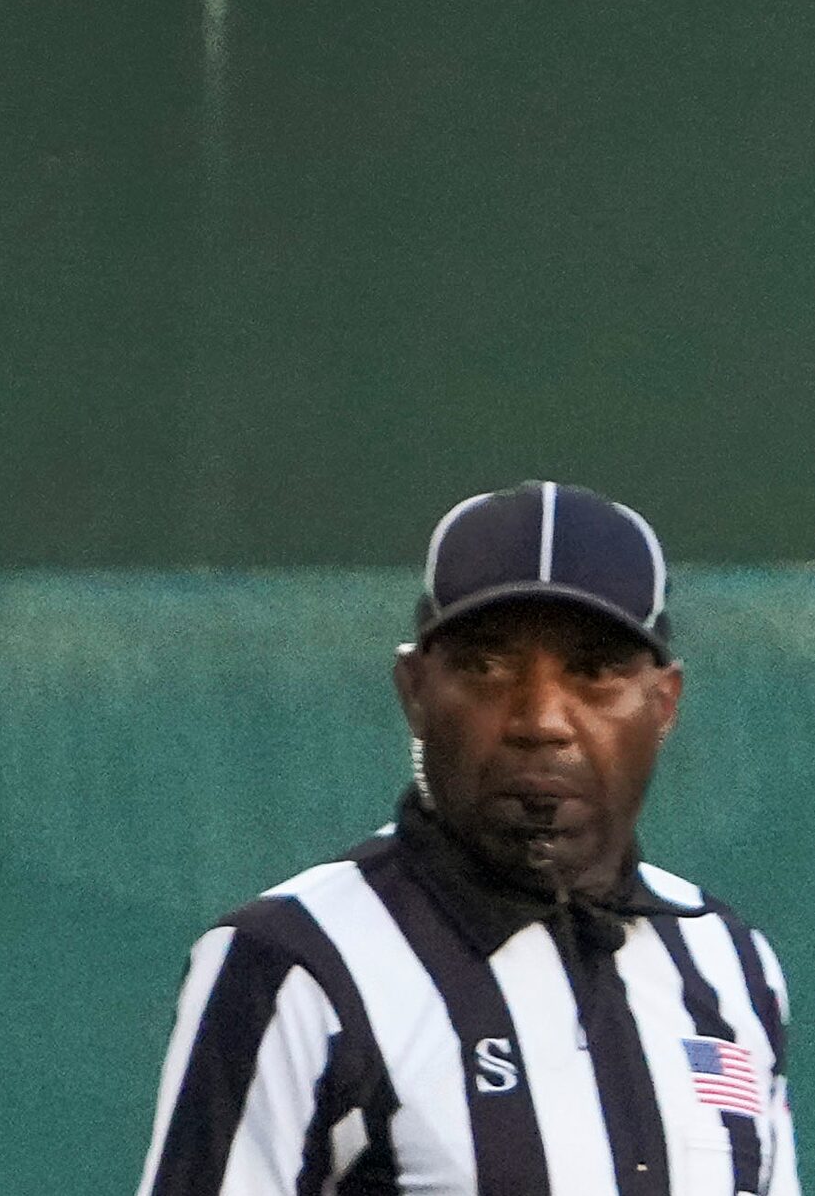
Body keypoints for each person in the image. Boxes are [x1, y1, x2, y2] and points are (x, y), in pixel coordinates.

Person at [136, 480, 797, 1196]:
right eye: (487, 666)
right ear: (414, 690)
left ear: (663, 703)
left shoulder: (727, 960)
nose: (540, 719)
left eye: (594, 671)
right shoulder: (292, 965)